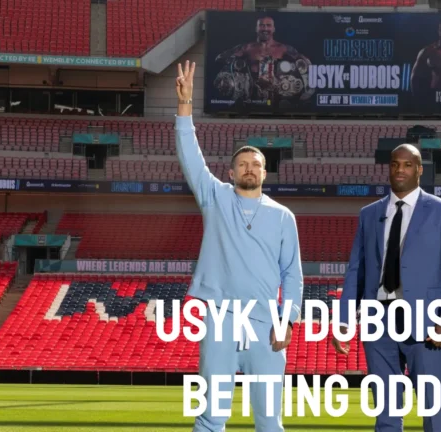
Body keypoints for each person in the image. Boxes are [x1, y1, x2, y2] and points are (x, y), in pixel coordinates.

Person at [175, 60, 303, 432]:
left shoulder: (283, 216)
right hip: (221, 320)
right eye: (242, 163)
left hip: (266, 324)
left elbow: (292, 275)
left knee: (269, 421)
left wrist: (289, 320)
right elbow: (190, 157)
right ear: (230, 173)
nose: (249, 168)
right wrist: (184, 106)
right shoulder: (215, 197)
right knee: (211, 417)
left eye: (255, 164)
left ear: (265, 173)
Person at [333, 144, 441, 432]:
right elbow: (356, 269)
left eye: (408, 165)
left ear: (420, 169)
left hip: (425, 319)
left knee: (433, 408)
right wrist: (345, 319)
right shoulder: (369, 214)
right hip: (377, 319)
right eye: (395, 164)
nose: (400, 170)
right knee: (386, 411)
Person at [213, 16, 313, 105]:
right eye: (261, 25)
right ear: (256, 28)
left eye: (268, 25)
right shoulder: (246, 48)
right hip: (251, 99)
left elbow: (306, 64)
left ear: (273, 29)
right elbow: (219, 58)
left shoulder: (283, 48)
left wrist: (307, 90)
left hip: (276, 98)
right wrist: (232, 59)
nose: (265, 28)